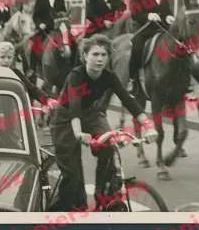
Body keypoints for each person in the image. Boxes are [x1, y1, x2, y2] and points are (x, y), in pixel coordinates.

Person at [49, 35, 158, 212]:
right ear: (85, 56)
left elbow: (129, 101)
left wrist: (149, 126)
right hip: (66, 119)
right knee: (73, 179)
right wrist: (79, 133)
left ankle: (103, 196)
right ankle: (48, 217)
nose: (100, 59)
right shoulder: (77, 75)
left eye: (104, 55)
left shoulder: (109, 76)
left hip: (92, 115)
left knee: (108, 148)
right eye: (95, 54)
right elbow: (75, 108)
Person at [126, 0, 175, 94]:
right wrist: (148, 15)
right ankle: (132, 79)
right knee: (137, 47)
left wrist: (169, 17)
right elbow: (134, 13)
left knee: (179, 44)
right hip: (145, 28)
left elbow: (167, 11)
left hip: (162, 27)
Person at [31, 0, 71, 71]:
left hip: (58, 28)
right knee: (34, 44)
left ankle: (72, 65)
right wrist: (40, 24)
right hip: (45, 29)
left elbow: (63, 13)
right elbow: (35, 15)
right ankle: (32, 69)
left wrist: (66, 20)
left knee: (71, 42)